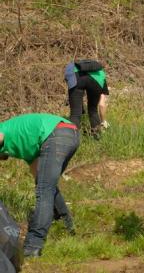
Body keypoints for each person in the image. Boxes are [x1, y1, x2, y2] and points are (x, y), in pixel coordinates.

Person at [0, 113, 80, 257]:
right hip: (70, 133)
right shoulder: (26, 147)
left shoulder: (3, 128)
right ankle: (66, 225)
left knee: (44, 191)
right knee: (46, 186)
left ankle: (33, 245)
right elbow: (38, 176)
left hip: (55, 134)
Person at [64, 59, 110, 137]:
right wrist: (103, 121)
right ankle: (96, 137)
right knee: (93, 110)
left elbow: (71, 85)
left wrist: (79, 107)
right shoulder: (101, 74)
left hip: (75, 76)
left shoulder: (71, 67)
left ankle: (72, 139)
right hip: (95, 82)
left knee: (75, 114)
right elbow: (102, 104)